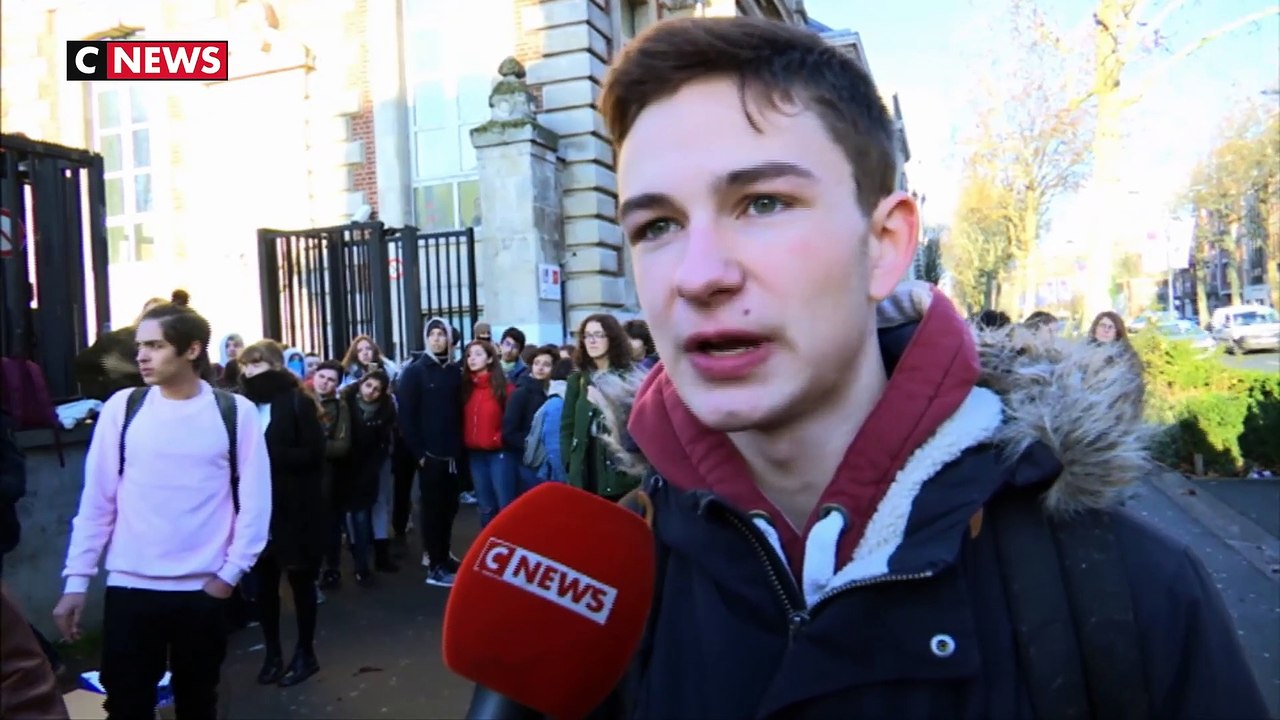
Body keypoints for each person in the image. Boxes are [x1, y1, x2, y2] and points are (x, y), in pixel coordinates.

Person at [569, 16, 1265, 718]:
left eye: (763, 203)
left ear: (886, 244)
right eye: (656, 226)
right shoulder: (592, 592)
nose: (697, 275)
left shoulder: (1130, 593)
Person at [54, 301, 271, 718]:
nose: (141, 356)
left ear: (191, 350)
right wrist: (76, 580)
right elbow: (97, 502)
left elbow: (256, 505)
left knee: (197, 703)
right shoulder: (123, 407)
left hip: (203, 591)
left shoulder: (233, 413)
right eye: (140, 345)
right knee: (126, 706)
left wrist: (228, 576)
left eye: (155, 345)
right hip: (130, 590)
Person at [238, 340, 327, 688]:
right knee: (264, 585)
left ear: (274, 366)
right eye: (245, 367)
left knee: (301, 582)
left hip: (295, 509)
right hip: (258, 510)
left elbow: (314, 453)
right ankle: (272, 653)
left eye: (256, 366)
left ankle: (306, 652)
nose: (248, 373)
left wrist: (268, 454)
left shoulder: (295, 402)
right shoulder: (243, 407)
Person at [396, 317, 465, 588]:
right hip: (430, 456)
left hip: (452, 455)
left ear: (450, 339)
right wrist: (420, 454)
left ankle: (444, 556)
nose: (437, 339)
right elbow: (406, 417)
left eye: (442, 334)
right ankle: (434, 565)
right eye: (432, 334)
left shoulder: (454, 372)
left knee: (449, 509)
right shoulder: (415, 372)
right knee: (433, 511)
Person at [560, 314, 645, 502]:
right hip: (584, 473)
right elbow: (567, 426)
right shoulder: (578, 380)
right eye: (587, 335)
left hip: (619, 474)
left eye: (598, 335)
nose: (591, 341)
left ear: (612, 339)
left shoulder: (629, 378)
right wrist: (570, 462)